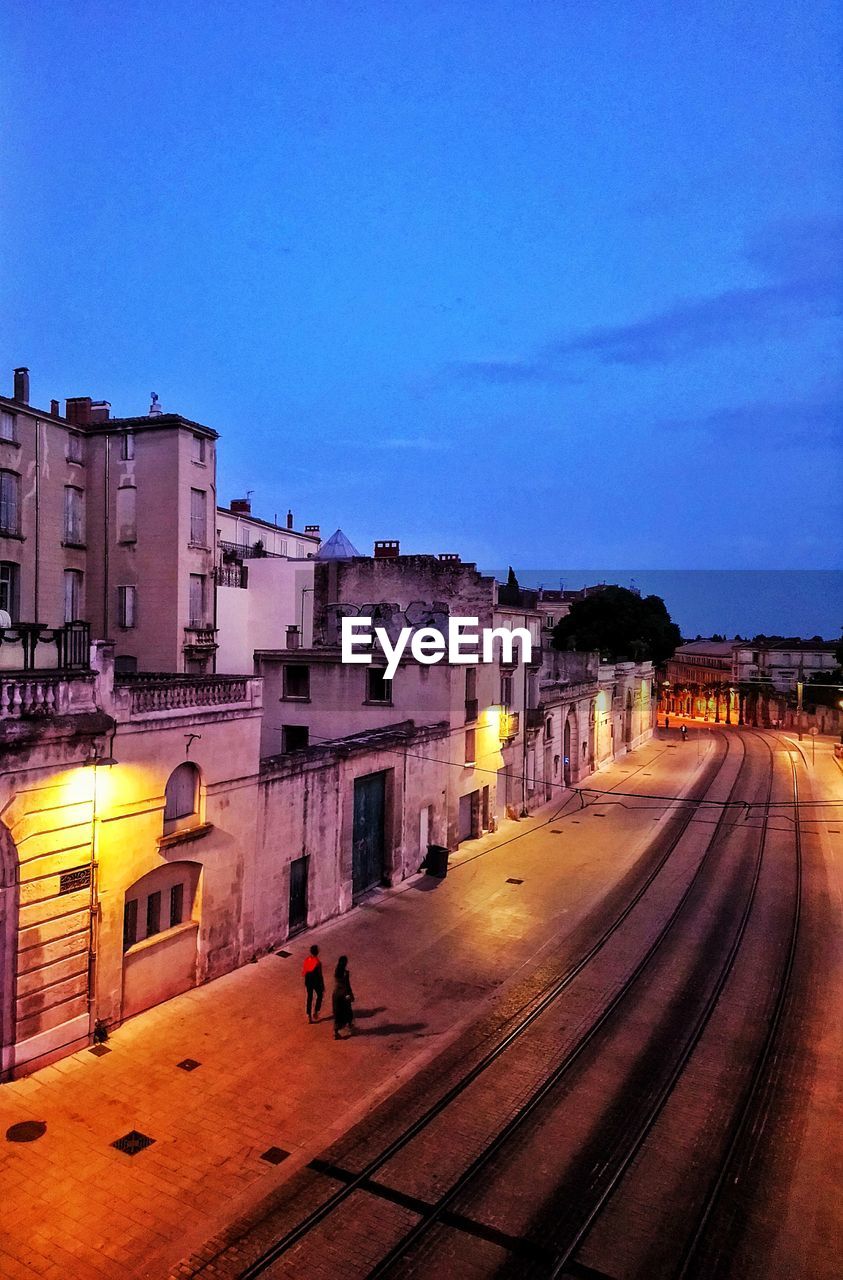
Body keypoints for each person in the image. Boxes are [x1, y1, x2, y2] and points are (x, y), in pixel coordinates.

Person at [332, 955, 355, 1040]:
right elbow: (347, 986)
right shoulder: (345, 973)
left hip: (336, 994)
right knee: (348, 1009)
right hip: (344, 994)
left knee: (338, 1013)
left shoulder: (336, 971)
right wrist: (351, 995)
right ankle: (349, 1025)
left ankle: (336, 1033)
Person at [302, 945, 324, 1023]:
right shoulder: (318, 963)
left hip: (308, 981)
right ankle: (316, 1011)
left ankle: (309, 1016)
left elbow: (304, 971)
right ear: (317, 952)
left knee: (309, 997)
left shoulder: (307, 960)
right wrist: (322, 985)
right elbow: (320, 975)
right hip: (316, 981)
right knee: (320, 995)